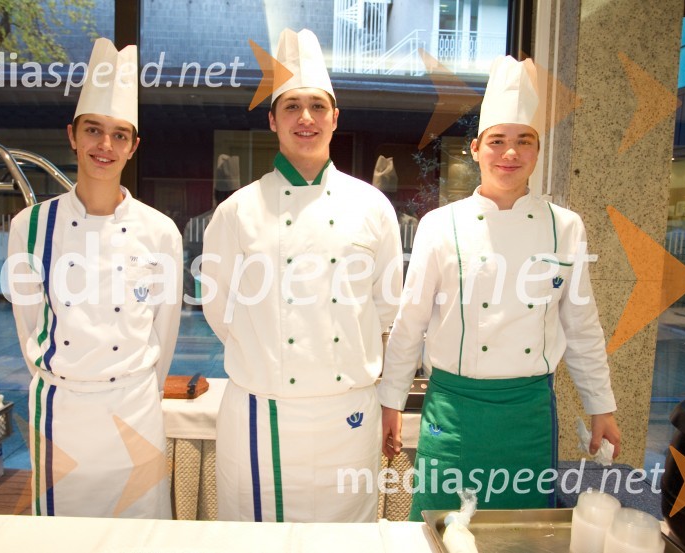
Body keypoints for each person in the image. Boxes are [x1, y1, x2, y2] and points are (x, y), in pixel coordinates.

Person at [377, 55, 621, 518]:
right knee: (440, 528)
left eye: (523, 141)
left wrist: (601, 406)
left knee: (522, 533)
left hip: (527, 413)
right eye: (498, 141)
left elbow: (582, 325)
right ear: (475, 149)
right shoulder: (439, 225)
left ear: (537, 150)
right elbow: (410, 324)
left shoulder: (564, 228)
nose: (510, 153)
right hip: (453, 410)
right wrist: (391, 401)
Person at [201, 28, 403, 523]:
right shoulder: (236, 212)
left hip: (349, 416)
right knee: (257, 538)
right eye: (291, 106)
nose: (305, 117)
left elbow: (387, 310)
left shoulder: (372, 207)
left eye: (317, 105)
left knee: (346, 537)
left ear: (335, 117)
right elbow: (218, 309)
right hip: (261, 413)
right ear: (273, 119)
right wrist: (266, 356)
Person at [7, 38, 182, 518]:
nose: (105, 145)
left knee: (141, 536)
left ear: (134, 146)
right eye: (94, 130)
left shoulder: (160, 231)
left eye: (119, 134)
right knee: (60, 539)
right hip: (61, 413)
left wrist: (140, 385)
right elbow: (29, 324)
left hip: (136, 409)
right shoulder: (30, 226)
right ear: (72, 134)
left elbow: (163, 334)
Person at [182, 154, 241, 307]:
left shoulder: (248, 224)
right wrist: (191, 304)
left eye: (229, 195)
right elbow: (187, 270)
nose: (226, 199)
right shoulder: (196, 225)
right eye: (224, 195)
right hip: (202, 300)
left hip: (238, 302)